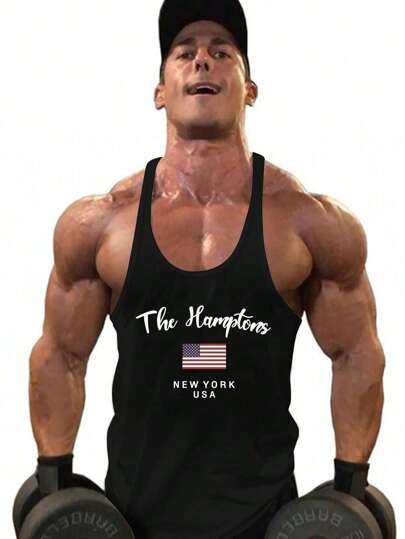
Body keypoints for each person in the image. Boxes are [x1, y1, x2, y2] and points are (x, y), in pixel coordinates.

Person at [28, 1, 385, 537]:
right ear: (159, 91)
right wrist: (55, 485)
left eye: (222, 52)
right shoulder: (100, 224)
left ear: (250, 89)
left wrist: (349, 491)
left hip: (264, 521)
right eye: (184, 52)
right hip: (133, 521)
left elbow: (355, 354)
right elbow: (62, 354)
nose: (202, 61)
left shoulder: (309, 223)